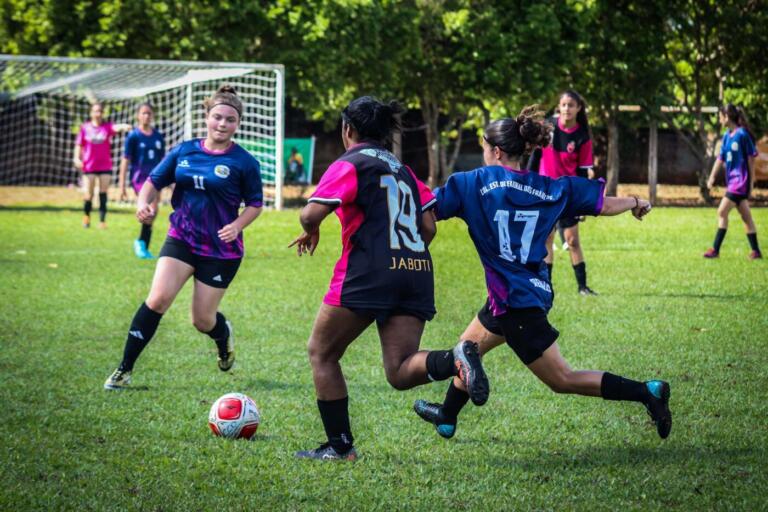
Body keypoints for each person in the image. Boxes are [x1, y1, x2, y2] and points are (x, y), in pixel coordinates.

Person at [412, 107, 672, 441]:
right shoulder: (551, 188)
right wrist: (636, 200)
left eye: (483, 146)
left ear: (497, 151)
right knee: (467, 347)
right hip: (528, 291)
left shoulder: (471, 183)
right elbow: (603, 204)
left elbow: (427, 208)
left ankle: (647, 392)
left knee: (563, 379)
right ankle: (447, 415)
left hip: (516, 303)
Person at [289, 96, 488, 461]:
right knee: (399, 369)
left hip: (368, 272)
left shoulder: (350, 162)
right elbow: (429, 227)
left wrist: (311, 226)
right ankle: (455, 357)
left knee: (322, 353)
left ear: (348, 129)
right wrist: (404, 254)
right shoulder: (404, 170)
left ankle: (340, 446)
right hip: (416, 272)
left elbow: (308, 214)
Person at [104, 85, 263, 390]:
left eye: (230, 120)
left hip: (220, 249)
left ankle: (222, 334)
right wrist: (143, 204)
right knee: (158, 298)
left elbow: (255, 204)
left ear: (237, 124)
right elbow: (152, 182)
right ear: (207, 117)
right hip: (182, 238)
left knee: (202, 320)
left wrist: (238, 225)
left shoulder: (244, 162)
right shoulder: (184, 150)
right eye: (217, 117)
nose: (222, 124)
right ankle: (124, 370)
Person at [538, 90, 597, 294]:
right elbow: (535, 156)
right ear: (558, 107)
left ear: (578, 108)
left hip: (568, 193)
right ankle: (547, 286)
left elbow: (582, 171)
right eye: (563, 105)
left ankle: (582, 287)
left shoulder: (582, 135)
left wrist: (582, 200)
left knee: (572, 240)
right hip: (545, 191)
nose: (566, 109)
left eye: (571, 105)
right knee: (547, 238)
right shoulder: (548, 127)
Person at [703, 104, 761, 259]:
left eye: (720, 116)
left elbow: (751, 158)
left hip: (740, 182)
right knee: (746, 217)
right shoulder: (727, 136)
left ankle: (715, 250)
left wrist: (751, 181)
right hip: (733, 182)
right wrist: (712, 177)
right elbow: (720, 158)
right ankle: (756, 251)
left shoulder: (742, 135)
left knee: (722, 211)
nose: (719, 119)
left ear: (726, 116)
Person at [118, 103, 166, 259]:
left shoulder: (158, 136)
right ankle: (142, 244)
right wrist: (121, 185)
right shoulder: (133, 136)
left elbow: (164, 160)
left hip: (156, 178)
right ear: (138, 115)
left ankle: (142, 243)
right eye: (143, 113)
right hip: (139, 179)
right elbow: (125, 160)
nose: (146, 116)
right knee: (150, 208)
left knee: (154, 211)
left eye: (149, 113)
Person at [73, 102, 131, 228]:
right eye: (95, 111)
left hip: (105, 166)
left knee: (103, 193)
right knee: (89, 194)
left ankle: (102, 221)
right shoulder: (85, 128)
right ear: (91, 113)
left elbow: (115, 128)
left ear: (102, 113)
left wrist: (123, 126)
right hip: (89, 166)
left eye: (100, 111)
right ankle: (86, 218)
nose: (98, 114)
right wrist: (76, 158)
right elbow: (79, 144)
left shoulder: (106, 127)